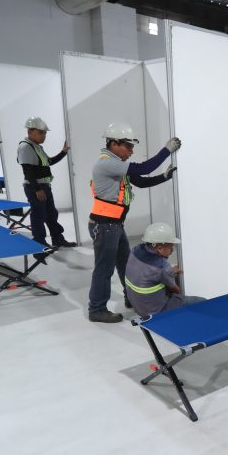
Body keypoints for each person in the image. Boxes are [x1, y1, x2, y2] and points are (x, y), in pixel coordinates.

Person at [88, 122, 180, 323]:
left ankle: (131, 297)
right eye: (128, 146)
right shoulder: (107, 163)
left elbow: (141, 181)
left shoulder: (118, 165)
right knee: (104, 269)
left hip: (114, 225)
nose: (131, 151)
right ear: (113, 144)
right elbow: (144, 168)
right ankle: (96, 309)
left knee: (126, 264)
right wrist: (167, 150)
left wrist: (164, 177)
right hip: (104, 225)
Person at [17, 116, 76, 248]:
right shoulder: (25, 147)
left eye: (44, 133)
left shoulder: (37, 147)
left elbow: (49, 162)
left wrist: (63, 152)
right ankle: (39, 243)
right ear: (30, 131)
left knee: (51, 214)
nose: (43, 136)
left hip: (44, 186)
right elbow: (27, 170)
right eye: (40, 133)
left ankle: (57, 239)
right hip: (35, 187)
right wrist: (37, 189)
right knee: (39, 215)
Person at [124, 222, 205, 318]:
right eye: (170, 246)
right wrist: (169, 274)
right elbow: (176, 290)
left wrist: (168, 272)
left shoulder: (136, 250)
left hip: (137, 305)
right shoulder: (162, 266)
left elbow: (146, 272)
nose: (172, 250)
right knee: (202, 302)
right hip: (154, 311)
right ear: (159, 248)